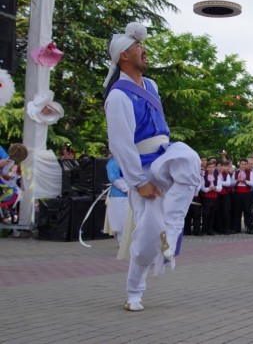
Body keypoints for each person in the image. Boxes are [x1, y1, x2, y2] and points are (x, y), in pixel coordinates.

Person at [103, 22, 202, 311]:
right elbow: (120, 143)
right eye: (138, 47)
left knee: (188, 159)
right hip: (142, 168)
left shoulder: (152, 86)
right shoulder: (118, 95)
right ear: (124, 55)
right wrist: (138, 181)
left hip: (164, 155)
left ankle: (172, 232)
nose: (144, 50)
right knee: (146, 238)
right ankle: (134, 292)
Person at [105, 156, 129, 244]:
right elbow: (114, 178)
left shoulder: (129, 159)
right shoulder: (113, 162)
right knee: (121, 219)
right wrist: (127, 189)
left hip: (131, 196)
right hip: (120, 196)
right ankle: (122, 241)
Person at [232, 158, 253, 234]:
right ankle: (236, 228)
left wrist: (245, 181)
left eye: (245, 164)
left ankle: (249, 228)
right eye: (242, 164)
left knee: (248, 211)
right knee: (237, 211)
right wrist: (237, 180)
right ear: (239, 164)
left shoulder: (250, 173)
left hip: (247, 194)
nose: (243, 166)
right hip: (238, 193)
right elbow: (231, 184)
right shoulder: (235, 173)